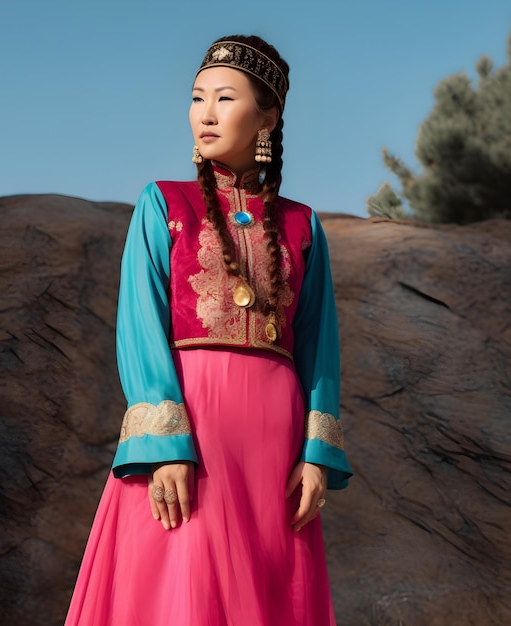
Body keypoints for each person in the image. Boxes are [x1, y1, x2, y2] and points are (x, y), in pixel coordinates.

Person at [64, 34, 353, 626]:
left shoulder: (304, 225)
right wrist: (166, 446)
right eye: (198, 98)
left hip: (274, 444)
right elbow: (140, 323)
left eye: (225, 97)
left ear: (268, 116)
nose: (207, 112)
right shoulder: (162, 204)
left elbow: (320, 345)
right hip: (191, 429)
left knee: (269, 594)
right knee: (182, 590)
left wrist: (316, 454)